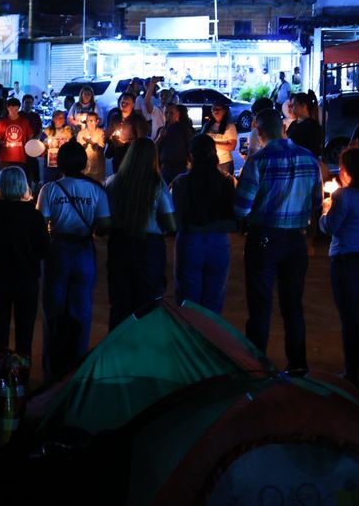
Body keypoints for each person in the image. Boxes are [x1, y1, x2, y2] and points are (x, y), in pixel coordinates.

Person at [233, 110, 322, 374]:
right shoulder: (309, 159)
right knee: (293, 304)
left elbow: (241, 208)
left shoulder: (259, 160)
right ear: (283, 128)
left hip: (265, 237)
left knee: (260, 305)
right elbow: (316, 203)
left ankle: (256, 367)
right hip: (296, 239)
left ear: (259, 132)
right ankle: (297, 365)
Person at [37, 140, 111, 381]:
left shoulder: (50, 189)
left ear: (60, 161)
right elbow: (103, 228)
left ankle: (51, 366)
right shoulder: (96, 190)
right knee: (82, 308)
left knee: (53, 308)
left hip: (58, 249)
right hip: (83, 249)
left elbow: (41, 223)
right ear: (83, 162)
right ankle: (78, 366)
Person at [319, 147, 359, 387]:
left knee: (350, 318)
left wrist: (325, 210)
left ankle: (351, 372)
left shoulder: (345, 196)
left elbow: (330, 227)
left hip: (347, 260)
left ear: (349, 170)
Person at [0, 166, 51, 358]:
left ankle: (1, 375)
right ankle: (21, 377)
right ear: (24, 186)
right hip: (26, 279)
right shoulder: (33, 215)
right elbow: (44, 249)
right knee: (25, 331)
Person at [103, 137, 176, 327]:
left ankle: (117, 349)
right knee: (148, 303)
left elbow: (106, 216)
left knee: (120, 303)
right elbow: (170, 223)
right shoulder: (157, 184)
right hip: (149, 246)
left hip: (119, 243)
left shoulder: (113, 182)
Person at [171, 134, 236, 314]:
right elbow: (233, 215)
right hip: (219, 241)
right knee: (214, 299)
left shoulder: (181, 182)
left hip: (190, 239)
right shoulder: (226, 181)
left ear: (191, 155)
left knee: (187, 300)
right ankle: (208, 338)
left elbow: (176, 213)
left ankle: (190, 339)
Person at [106, 92, 149, 174]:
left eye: (127, 103)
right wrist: (112, 138)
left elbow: (141, 140)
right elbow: (108, 134)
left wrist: (125, 143)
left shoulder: (138, 119)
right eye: (122, 102)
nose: (124, 105)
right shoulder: (114, 117)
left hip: (131, 156)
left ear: (133, 105)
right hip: (116, 155)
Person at [155, 102, 195, 183]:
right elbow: (154, 147)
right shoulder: (162, 130)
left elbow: (190, 146)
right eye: (166, 113)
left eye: (171, 113)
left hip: (180, 167)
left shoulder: (184, 129)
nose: (168, 115)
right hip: (165, 167)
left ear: (177, 114)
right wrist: (160, 137)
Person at [202, 102, 239, 175]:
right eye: (213, 109)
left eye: (218, 109)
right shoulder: (207, 125)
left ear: (224, 111)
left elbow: (231, 146)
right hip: (208, 162)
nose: (215, 111)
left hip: (224, 164)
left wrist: (211, 143)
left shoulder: (230, 127)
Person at [285, 93, 323, 161]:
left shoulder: (312, 126)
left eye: (293, 105)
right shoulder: (294, 123)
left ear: (303, 106)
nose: (291, 107)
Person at [41, 110, 73, 183]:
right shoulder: (47, 131)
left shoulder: (68, 131)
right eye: (58, 118)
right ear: (53, 119)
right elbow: (41, 144)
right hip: (50, 163)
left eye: (62, 118)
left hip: (63, 163)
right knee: (49, 183)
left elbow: (72, 145)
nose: (61, 120)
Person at [77, 110, 107, 182]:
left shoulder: (101, 132)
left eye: (92, 121)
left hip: (97, 166)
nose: (90, 123)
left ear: (97, 121)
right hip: (85, 168)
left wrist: (92, 143)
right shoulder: (81, 133)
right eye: (88, 121)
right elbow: (78, 150)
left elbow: (101, 148)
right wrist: (85, 145)